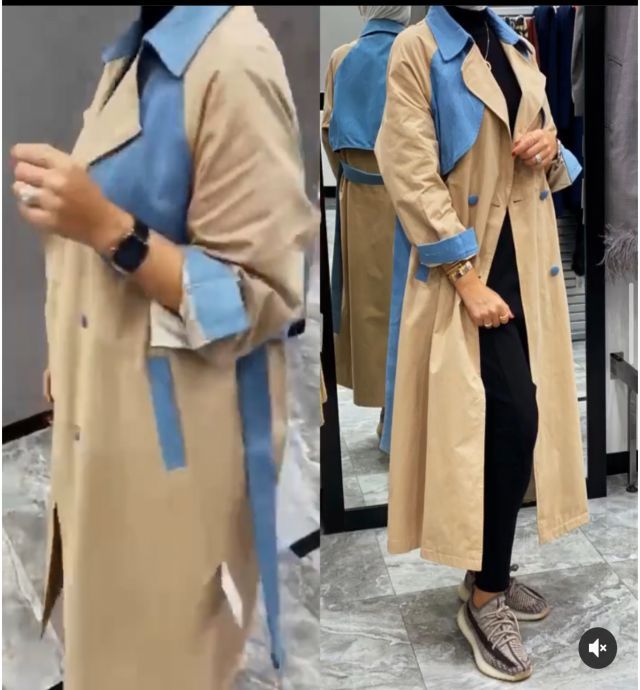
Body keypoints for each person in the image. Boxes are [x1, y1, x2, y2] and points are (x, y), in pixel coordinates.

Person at [11, 6, 316, 689]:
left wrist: (106, 226)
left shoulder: (233, 62)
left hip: (174, 444)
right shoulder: (141, 51)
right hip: (113, 414)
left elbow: (260, 297)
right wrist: (69, 356)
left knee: (160, 654)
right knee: (107, 635)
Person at [376, 6, 588, 682]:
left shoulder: (514, 44)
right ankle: (486, 597)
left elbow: (548, 143)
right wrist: (466, 280)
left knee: (514, 423)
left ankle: (486, 570)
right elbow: (409, 171)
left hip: (529, 265)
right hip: (471, 271)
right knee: (512, 420)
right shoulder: (416, 50)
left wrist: (550, 147)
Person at [322, 6, 411, 436]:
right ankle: (403, 413)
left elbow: (328, 130)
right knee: (412, 305)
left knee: (370, 308)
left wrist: (346, 181)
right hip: (411, 196)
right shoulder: (418, 53)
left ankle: (385, 409)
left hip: (359, 198)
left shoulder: (342, 57)